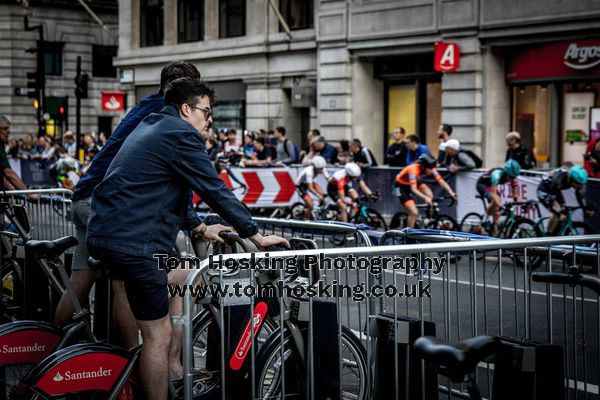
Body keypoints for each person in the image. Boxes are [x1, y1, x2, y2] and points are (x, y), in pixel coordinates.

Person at [87, 78, 288, 400]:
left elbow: (169, 187)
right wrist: (255, 235)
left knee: (186, 270)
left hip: (110, 236)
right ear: (186, 109)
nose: (209, 119)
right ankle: (164, 378)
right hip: (136, 245)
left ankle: (174, 368)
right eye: (206, 112)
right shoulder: (180, 134)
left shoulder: (152, 125)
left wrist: (197, 228)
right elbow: (213, 188)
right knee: (157, 334)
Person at [54, 62, 203, 374]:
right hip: (107, 204)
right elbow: (179, 174)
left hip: (86, 196)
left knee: (83, 278)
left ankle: (52, 347)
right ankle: (141, 362)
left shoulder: (146, 108)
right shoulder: (168, 117)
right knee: (136, 278)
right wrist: (194, 223)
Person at [393, 154, 457, 228]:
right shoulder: (413, 169)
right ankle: (408, 235)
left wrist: (451, 192)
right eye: (430, 169)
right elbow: (413, 189)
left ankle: (428, 218)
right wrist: (425, 198)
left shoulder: (430, 167)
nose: (431, 172)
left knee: (429, 194)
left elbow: (441, 181)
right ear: (423, 167)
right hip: (400, 186)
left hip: (411, 182)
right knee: (414, 212)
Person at [536, 165, 594, 234]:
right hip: (545, 191)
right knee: (557, 214)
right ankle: (548, 237)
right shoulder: (560, 178)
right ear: (571, 179)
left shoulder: (573, 179)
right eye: (578, 184)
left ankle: (556, 232)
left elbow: (579, 196)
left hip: (556, 191)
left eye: (581, 184)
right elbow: (552, 199)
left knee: (564, 212)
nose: (580, 186)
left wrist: (585, 209)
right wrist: (560, 212)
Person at [475, 159, 522, 236]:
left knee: (497, 213)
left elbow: (516, 195)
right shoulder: (497, 174)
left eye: (514, 177)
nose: (512, 179)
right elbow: (493, 193)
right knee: (497, 201)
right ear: (506, 173)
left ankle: (494, 230)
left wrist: (520, 203)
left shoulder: (512, 177)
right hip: (482, 185)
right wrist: (501, 207)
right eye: (510, 177)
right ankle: (485, 220)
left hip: (491, 186)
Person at [0, 116, 28, 190]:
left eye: (8, 128)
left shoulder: (2, 143)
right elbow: (8, 173)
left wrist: (9, 189)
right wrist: (28, 193)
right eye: (5, 128)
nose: (9, 131)